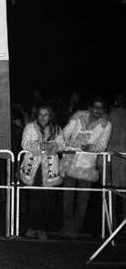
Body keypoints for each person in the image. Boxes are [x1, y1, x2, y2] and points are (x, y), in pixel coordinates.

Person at [60, 96, 112, 238]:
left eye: (101, 107)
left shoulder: (106, 125)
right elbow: (64, 134)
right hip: (70, 162)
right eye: (95, 106)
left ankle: (76, 228)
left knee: (83, 199)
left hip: (87, 166)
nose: (98, 110)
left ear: (104, 109)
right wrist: (67, 147)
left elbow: (102, 145)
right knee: (67, 198)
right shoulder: (78, 117)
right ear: (90, 108)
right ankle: (67, 226)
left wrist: (91, 147)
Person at [20, 105, 66, 240]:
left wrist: (53, 146)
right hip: (33, 167)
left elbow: (63, 145)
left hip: (50, 169)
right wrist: (38, 146)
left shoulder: (56, 128)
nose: (43, 117)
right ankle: (32, 226)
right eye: (40, 114)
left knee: (47, 201)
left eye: (46, 115)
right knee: (34, 200)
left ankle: (42, 228)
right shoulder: (29, 127)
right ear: (37, 115)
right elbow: (24, 143)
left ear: (50, 116)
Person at [107, 92, 126, 223]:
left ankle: (111, 223)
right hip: (122, 158)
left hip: (113, 157)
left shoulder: (110, 116)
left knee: (111, 192)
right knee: (124, 192)